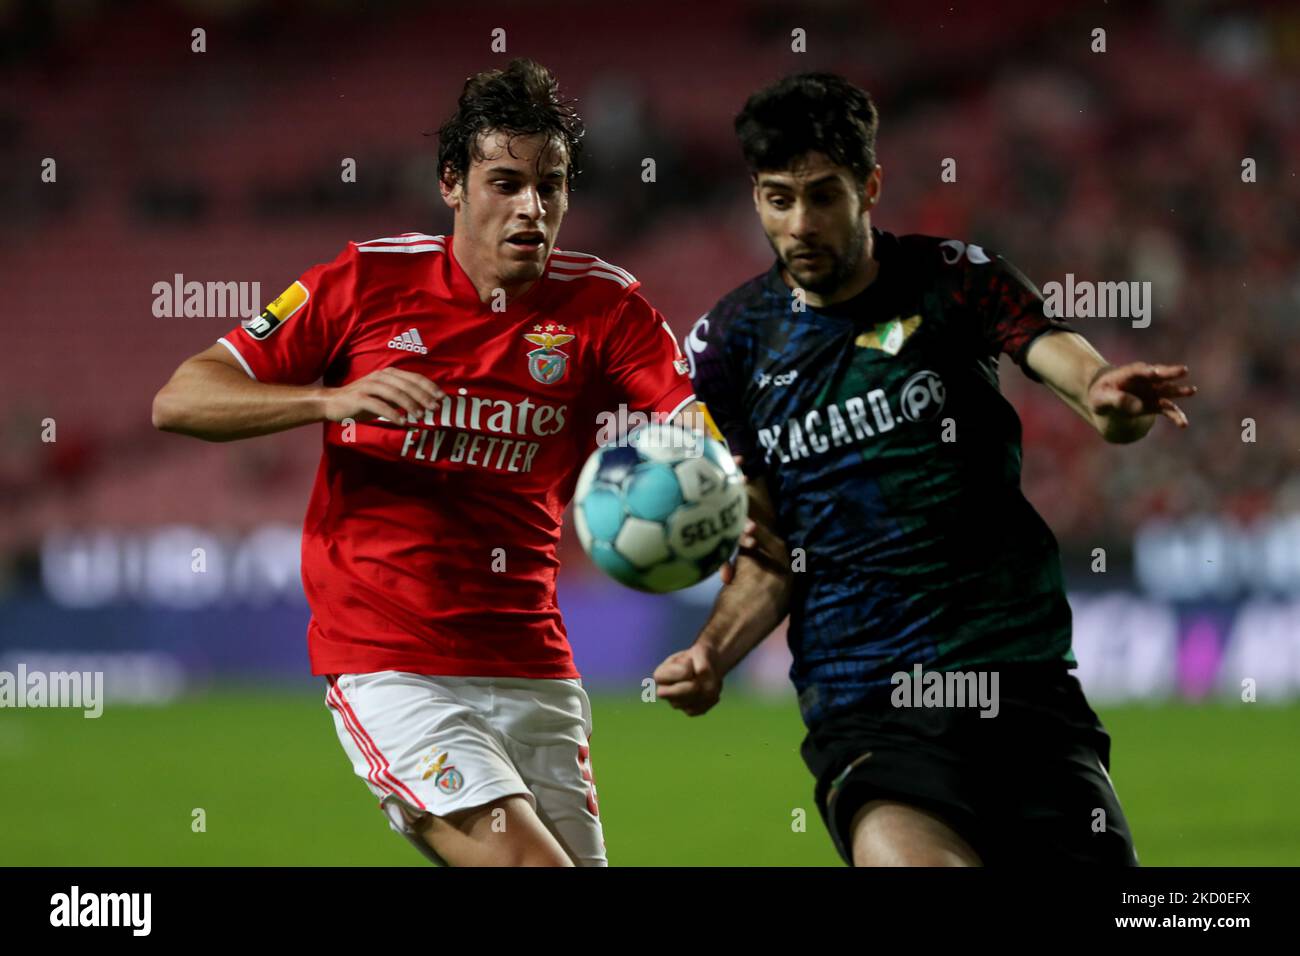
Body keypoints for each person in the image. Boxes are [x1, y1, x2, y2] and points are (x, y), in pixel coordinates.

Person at [153, 58, 698, 867]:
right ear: (452, 182)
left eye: (551, 185)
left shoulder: (605, 306)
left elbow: (693, 425)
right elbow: (182, 398)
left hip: (533, 661)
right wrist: (326, 401)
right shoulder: (366, 281)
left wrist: (712, 476)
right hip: (392, 661)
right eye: (506, 183)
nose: (532, 208)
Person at [653, 72, 1197, 866]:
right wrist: (711, 655)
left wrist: (1108, 395)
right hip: (867, 705)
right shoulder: (730, 348)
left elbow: (1076, 374)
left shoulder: (955, 278)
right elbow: (768, 554)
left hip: (1021, 684)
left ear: (870, 186)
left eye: (824, 195)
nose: (799, 223)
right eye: (777, 198)